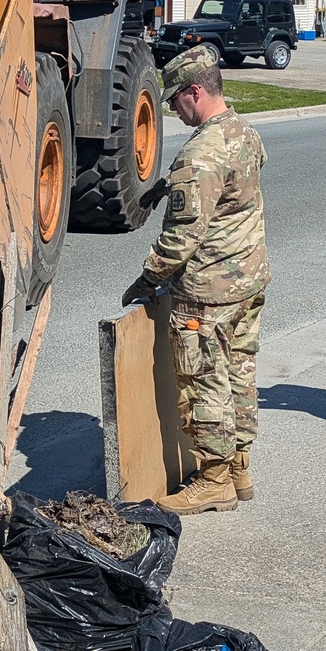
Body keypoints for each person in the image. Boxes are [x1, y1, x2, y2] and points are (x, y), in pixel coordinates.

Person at [122, 45, 270, 515]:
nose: (173, 111)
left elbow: (183, 237)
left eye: (175, 101)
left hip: (207, 291)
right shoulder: (244, 130)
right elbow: (233, 195)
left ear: (195, 91)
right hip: (248, 279)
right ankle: (239, 464)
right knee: (239, 371)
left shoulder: (200, 152)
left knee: (203, 378)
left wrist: (148, 277)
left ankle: (214, 480)